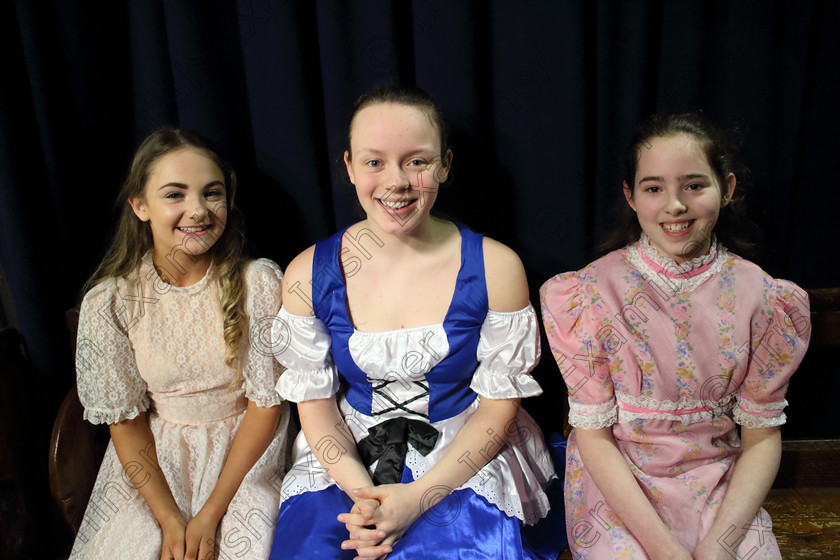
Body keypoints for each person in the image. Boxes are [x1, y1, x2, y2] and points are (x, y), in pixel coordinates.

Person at [268, 85, 560, 559]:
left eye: (417, 161)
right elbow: (316, 407)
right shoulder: (309, 274)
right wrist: (368, 500)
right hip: (345, 456)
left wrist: (414, 500)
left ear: (445, 164)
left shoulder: (495, 266)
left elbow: (495, 410)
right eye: (374, 162)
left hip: (464, 450)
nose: (397, 181)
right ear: (349, 167)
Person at [540, 112, 811, 559]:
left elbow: (761, 438)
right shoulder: (588, 295)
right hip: (619, 488)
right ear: (630, 195)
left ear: (727, 188)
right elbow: (593, 436)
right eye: (654, 188)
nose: (675, 205)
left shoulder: (763, 297)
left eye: (694, 185)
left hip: (720, 485)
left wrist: (721, 545)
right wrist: (664, 549)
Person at [70, 128, 290, 560]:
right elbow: (127, 423)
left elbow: (266, 406)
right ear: (140, 206)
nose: (198, 210)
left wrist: (211, 513)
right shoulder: (112, 302)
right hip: (153, 466)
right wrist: (170, 520)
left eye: (212, 193)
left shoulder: (257, 283)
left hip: (245, 458)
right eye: (175, 194)